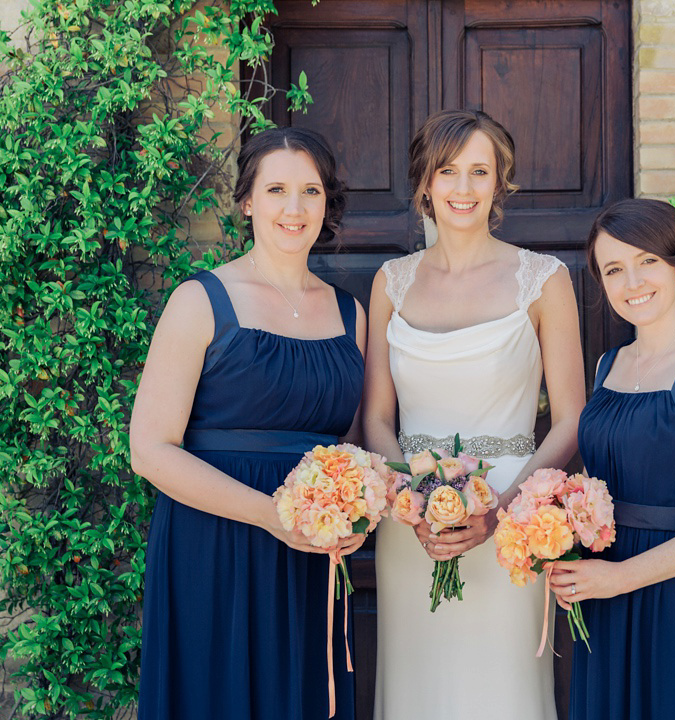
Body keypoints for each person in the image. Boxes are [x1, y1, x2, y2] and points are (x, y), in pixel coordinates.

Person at [130, 127, 365, 720]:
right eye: (277, 189)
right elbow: (150, 450)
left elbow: (353, 445)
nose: (294, 208)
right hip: (215, 544)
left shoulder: (350, 313)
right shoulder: (200, 300)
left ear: (326, 202)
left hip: (313, 553)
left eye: (310, 190)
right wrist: (270, 515)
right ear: (247, 201)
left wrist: (359, 514)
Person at [363, 109, 585, 720]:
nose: (463, 189)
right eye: (447, 171)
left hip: (511, 521)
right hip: (413, 525)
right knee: (418, 689)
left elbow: (569, 420)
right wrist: (411, 497)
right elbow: (377, 418)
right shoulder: (391, 282)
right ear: (424, 184)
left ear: (500, 182)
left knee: (501, 691)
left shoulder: (543, 280)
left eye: (479, 171)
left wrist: (499, 515)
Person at [549, 198, 675, 719]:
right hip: (604, 594)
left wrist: (620, 578)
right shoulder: (607, 365)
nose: (632, 282)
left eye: (647, 262)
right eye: (614, 269)